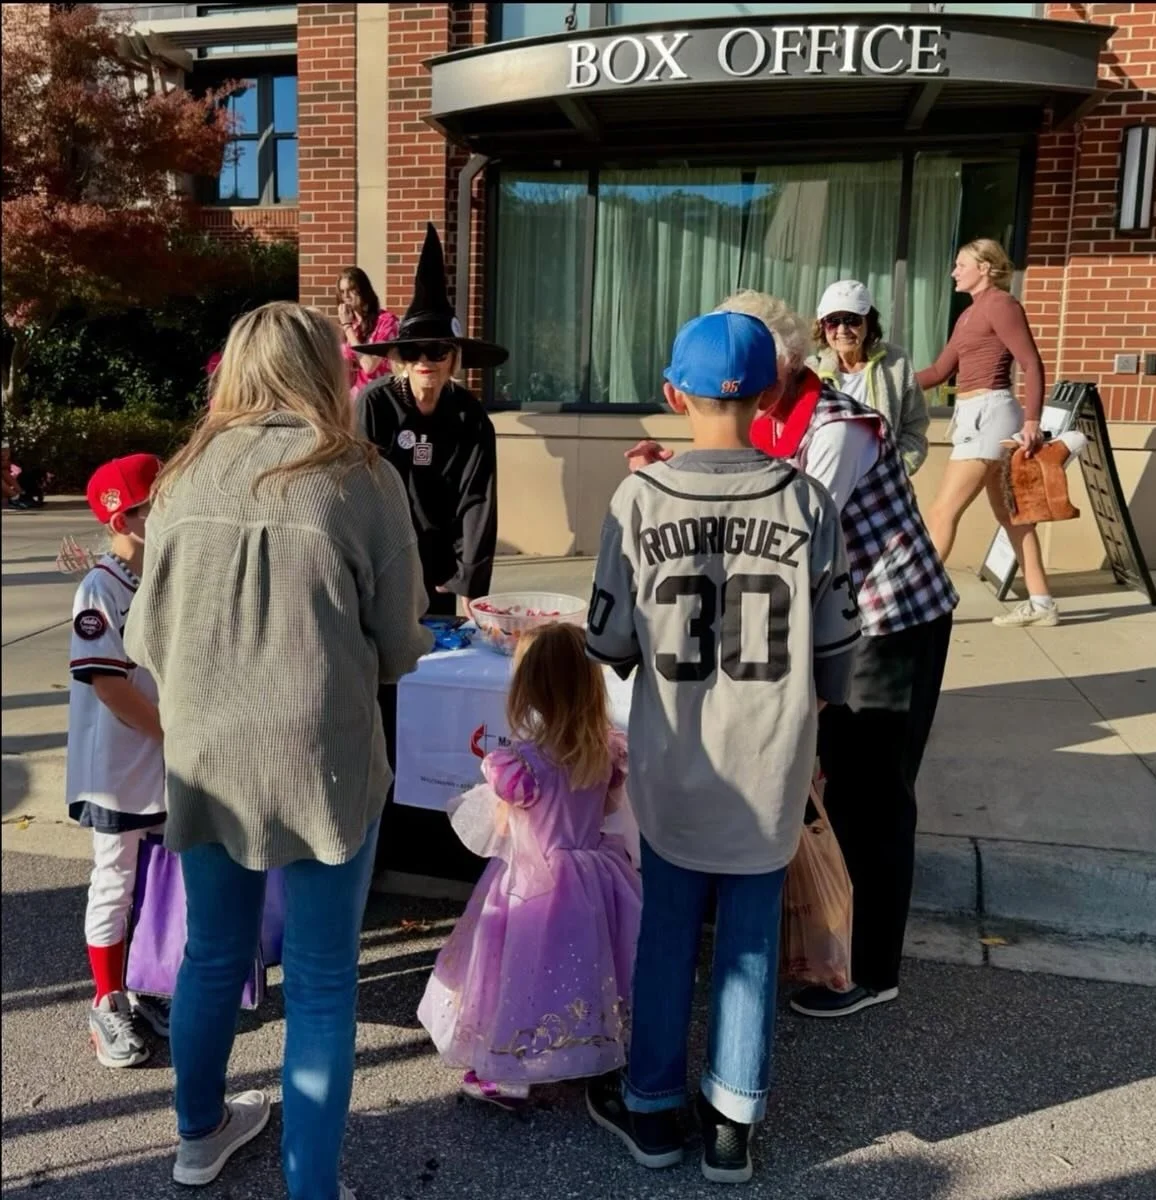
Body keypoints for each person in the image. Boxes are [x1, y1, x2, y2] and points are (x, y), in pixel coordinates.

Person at [124, 301, 432, 1200]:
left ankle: (197, 1135)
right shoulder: (360, 476)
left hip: (208, 752)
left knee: (213, 955)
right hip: (324, 753)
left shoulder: (180, 479)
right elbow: (402, 643)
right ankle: (311, 1187)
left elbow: (146, 640)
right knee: (325, 976)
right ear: (324, 371)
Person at [627, 290, 958, 1021]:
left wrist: (676, 489)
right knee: (837, 787)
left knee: (873, 793)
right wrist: (680, 468)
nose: (737, 381)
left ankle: (872, 966)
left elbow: (794, 534)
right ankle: (827, 946)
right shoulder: (773, 417)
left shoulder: (836, 426)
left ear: (788, 363)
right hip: (842, 619)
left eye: (753, 365)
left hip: (891, 620)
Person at [585, 311, 861, 1185]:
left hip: (676, 761)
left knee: (666, 936)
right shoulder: (805, 499)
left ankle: (655, 1109)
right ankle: (734, 1121)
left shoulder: (638, 497)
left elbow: (610, 644)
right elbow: (838, 645)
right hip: (772, 759)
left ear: (674, 395)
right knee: (747, 943)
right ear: (773, 394)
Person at [417, 622, 641, 1109]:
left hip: (532, 883)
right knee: (588, 968)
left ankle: (513, 1072)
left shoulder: (518, 764)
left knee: (523, 972)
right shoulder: (605, 750)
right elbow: (604, 811)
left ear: (527, 687)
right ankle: (595, 1047)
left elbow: (501, 826)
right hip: (594, 874)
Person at [66, 453, 169, 1069]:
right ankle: (108, 1000)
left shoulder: (161, 575)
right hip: (118, 769)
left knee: (158, 878)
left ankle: (149, 981)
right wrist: (172, 733)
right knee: (115, 880)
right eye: (151, 507)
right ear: (122, 517)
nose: (161, 515)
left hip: (161, 762)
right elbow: (109, 684)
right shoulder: (99, 587)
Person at [354, 224, 507, 618]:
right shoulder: (376, 405)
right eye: (415, 351)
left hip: (440, 564)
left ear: (453, 357)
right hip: (383, 559)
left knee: (436, 658)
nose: (426, 361)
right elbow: (357, 488)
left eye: (437, 351)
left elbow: (478, 499)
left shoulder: (469, 417)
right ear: (401, 357)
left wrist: (469, 578)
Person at [916, 238, 1057, 628]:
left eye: (961, 264)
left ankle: (913, 601)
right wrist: (886, 385)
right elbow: (938, 372)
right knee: (1012, 516)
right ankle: (1042, 603)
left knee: (943, 510)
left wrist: (1031, 422)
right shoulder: (969, 315)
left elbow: (1031, 363)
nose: (954, 271)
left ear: (985, 267)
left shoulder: (1001, 304)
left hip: (991, 415)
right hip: (971, 415)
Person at [808, 279, 930, 476]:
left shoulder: (896, 363)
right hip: (826, 478)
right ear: (822, 326)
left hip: (881, 483)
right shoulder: (811, 371)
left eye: (852, 320)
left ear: (869, 322)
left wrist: (900, 466)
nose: (842, 330)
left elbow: (915, 424)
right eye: (832, 322)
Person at [337, 267, 399, 397]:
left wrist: (347, 327)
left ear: (363, 290)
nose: (346, 296)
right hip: (352, 400)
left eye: (351, 290)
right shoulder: (350, 325)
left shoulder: (386, 322)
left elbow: (369, 366)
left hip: (378, 396)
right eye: (342, 292)